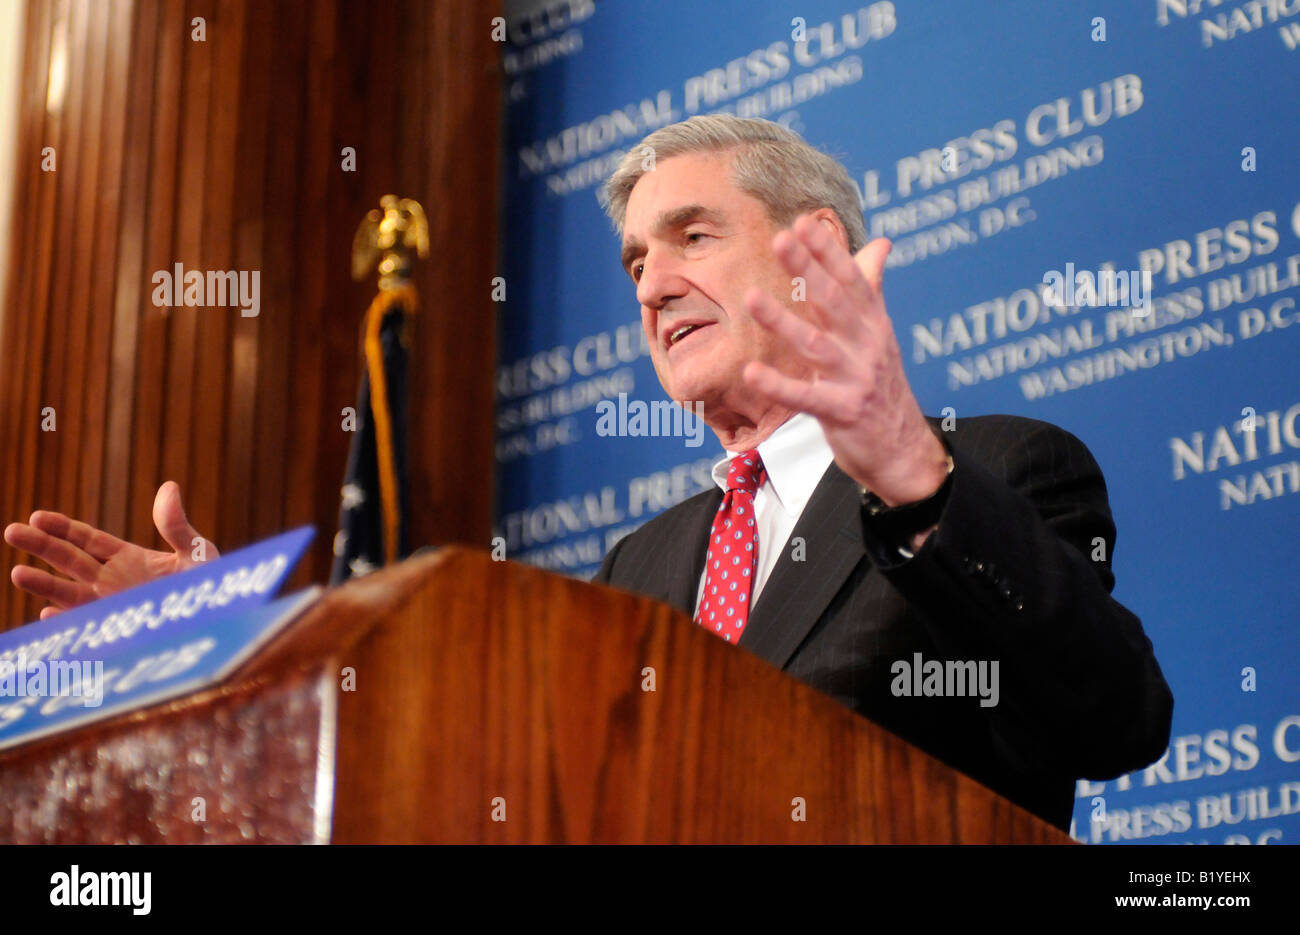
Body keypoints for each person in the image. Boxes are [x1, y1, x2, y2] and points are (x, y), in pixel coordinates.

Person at [4, 115, 1172, 831]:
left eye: (693, 236)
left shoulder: (994, 468)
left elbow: (1117, 717)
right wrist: (248, 643)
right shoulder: (640, 565)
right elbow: (481, 773)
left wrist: (914, 473)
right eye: (633, 261)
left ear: (814, 254)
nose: (651, 284)